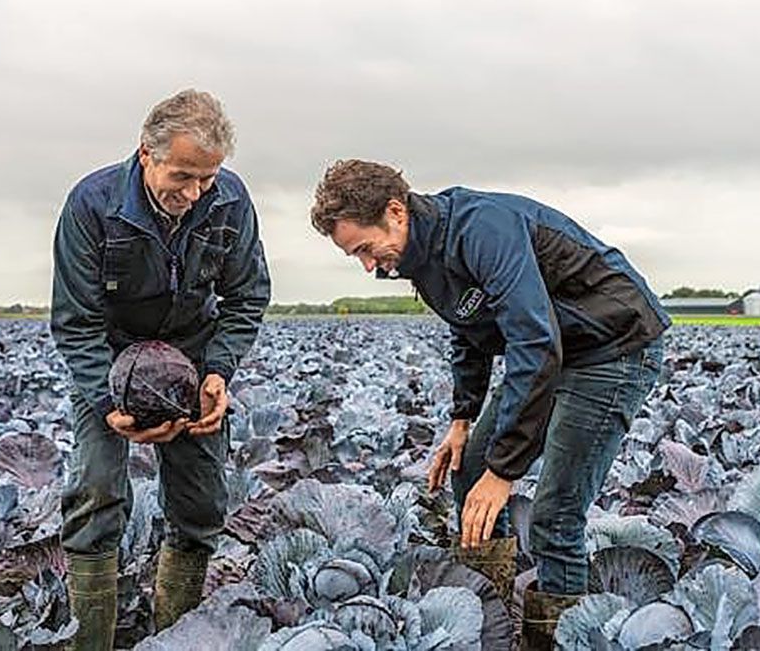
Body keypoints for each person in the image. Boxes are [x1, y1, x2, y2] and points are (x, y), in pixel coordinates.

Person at [309, 159, 668, 649]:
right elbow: (470, 330)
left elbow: (534, 344)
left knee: (555, 514)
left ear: (395, 211)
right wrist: (462, 418)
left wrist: (505, 472)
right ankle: (492, 622)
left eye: (366, 250)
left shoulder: (482, 228)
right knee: (468, 465)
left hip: (612, 347)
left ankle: (558, 640)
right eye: (357, 258)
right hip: (555, 347)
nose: (370, 266)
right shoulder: (421, 256)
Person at [50, 89, 271, 648]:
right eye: (182, 176)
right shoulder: (91, 205)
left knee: (200, 506)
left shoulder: (231, 202)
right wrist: (110, 405)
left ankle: (177, 637)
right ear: (146, 154)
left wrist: (218, 372)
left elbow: (247, 297)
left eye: (207, 179)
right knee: (96, 494)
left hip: (192, 356)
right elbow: (76, 321)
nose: (194, 193)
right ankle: (91, 641)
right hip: (110, 361)